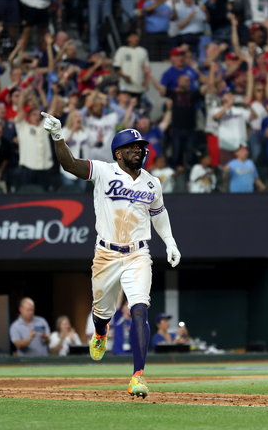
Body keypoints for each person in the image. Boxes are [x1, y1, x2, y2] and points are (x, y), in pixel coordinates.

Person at [41, 112, 182, 399]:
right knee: (102, 312)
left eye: (142, 147)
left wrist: (169, 241)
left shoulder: (152, 183)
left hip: (138, 254)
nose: (140, 151)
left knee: (139, 309)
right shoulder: (104, 171)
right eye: (133, 147)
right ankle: (101, 332)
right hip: (106, 254)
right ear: (118, 153)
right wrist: (58, 136)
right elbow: (70, 164)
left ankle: (138, 376)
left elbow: (159, 214)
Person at [15, 95, 54, 191]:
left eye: (38, 115)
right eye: (34, 115)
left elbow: (51, 112)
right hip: (28, 169)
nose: (37, 117)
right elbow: (20, 110)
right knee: (27, 196)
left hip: (44, 169)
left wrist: (55, 94)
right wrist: (23, 94)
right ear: (28, 117)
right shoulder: (23, 127)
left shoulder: (43, 128)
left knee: (44, 196)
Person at [113, 31, 150, 100]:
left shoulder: (143, 51)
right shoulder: (122, 50)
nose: (136, 38)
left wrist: (146, 82)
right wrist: (125, 77)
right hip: (125, 87)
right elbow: (116, 67)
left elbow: (146, 69)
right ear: (128, 38)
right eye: (133, 36)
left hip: (139, 87)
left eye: (137, 36)